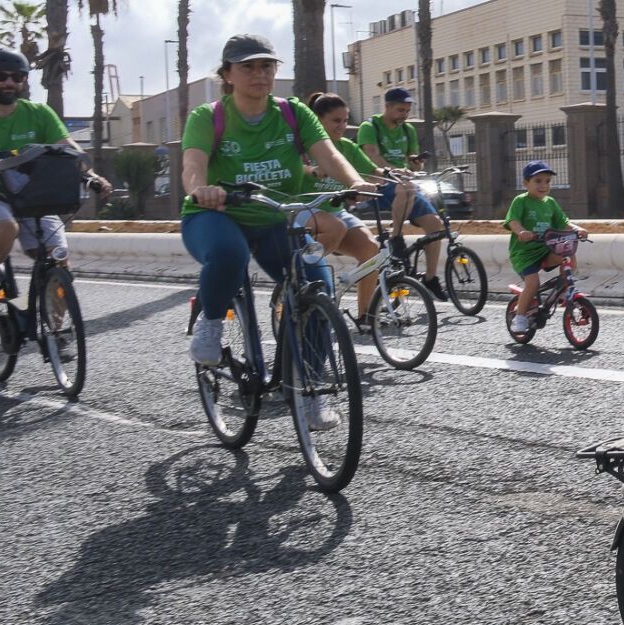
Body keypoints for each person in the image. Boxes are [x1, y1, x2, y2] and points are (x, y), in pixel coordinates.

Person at [181, 35, 378, 427]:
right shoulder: (209, 116)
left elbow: (329, 154)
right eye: (248, 67)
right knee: (230, 256)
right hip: (215, 214)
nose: (259, 74)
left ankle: (309, 389)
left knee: (317, 286)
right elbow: (192, 163)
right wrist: (200, 189)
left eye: (266, 66)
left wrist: (354, 182)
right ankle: (211, 324)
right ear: (227, 75)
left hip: (274, 217)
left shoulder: (293, 113)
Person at [0, 46, 110, 317]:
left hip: (31, 197)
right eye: (1, 76)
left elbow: (66, 148)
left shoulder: (39, 114)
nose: (9, 82)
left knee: (59, 256)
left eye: (17, 77)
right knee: (5, 226)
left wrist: (90, 175)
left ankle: (57, 329)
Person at [302, 92, 398, 333]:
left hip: (334, 213)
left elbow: (370, 170)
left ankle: (366, 315)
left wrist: (396, 175)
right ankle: (304, 276)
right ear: (317, 120)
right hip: (303, 211)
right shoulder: (303, 145)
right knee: (337, 227)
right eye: (336, 121)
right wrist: (310, 171)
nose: (342, 126)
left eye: (346, 121)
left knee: (371, 248)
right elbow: (296, 167)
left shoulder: (347, 147)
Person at [357, 87, 447, 298]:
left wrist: (416, 164)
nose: (405, 114)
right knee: (407, 186)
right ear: (387, 107)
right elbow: (372, 158)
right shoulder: (369, 127)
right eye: (400, 110)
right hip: (380, 183)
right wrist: (394, 170)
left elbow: (413, 165)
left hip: (405, 184)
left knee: (436, 226)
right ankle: (396, 237)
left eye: (407, 110)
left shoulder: (408, 130)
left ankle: (431, 278)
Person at [503, 160, 585, 336]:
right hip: (524, 253)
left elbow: (563, 223)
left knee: (568, 254)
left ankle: (564, 290)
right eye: (538, 181)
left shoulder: (550, 203)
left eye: (547, 181)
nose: (543, 185)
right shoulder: (521, 201)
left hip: (545, 250)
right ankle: (520, 317)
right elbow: (512, 221)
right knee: (533, 283)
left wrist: (577, 230)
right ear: (526, 183)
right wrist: (522, 231)